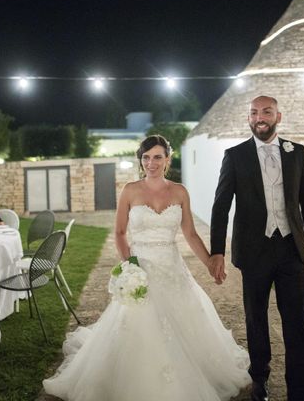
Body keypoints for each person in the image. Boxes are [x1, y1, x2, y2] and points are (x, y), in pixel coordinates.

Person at [43, 134, 250, 401]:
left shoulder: (179, 191)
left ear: (167, 159)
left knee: (184, 326)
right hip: (140, 269)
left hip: (173, 270)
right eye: (146, 157)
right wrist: (130, 266)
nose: (151, 163)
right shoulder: (130, 190)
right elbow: (119, 233)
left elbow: (190, 234)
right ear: (140, 160)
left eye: (157, 157)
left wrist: (210, 261)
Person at [209, 95, 304, 401]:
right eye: (254, 113)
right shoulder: (235, 156)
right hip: (254, 252)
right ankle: (260, 379)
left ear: (278, 116)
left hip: (291, 251)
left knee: (296, 321)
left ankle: (300, 389)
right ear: (249, 118)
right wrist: (216, 251)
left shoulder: (295, 153)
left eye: (266, 112)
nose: (260, 117)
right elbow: (220, 207)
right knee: (255, 318)